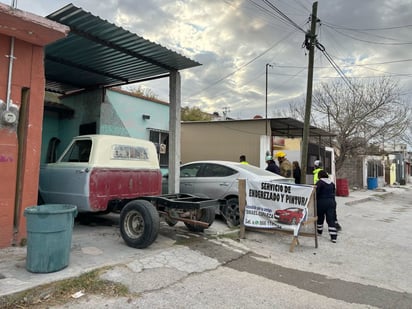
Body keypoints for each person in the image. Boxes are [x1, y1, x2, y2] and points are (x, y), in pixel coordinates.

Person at [313, 160, 342, 231]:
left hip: (321, 197)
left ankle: (320, 229)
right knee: (331, 213)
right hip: (330, 198)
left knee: (320, 214)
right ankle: (335, 226)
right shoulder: (325, 173)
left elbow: (317, 186)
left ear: (315, 166)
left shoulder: (317, 174)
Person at [316, 170, 338, 243]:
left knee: (320, 217)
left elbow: (316, 192)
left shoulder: (319, 183)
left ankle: (319, 231)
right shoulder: (332, 183)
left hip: (321, 202)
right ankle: (333, 237)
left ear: (320, 176)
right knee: (331, 219)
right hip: (331, 202)